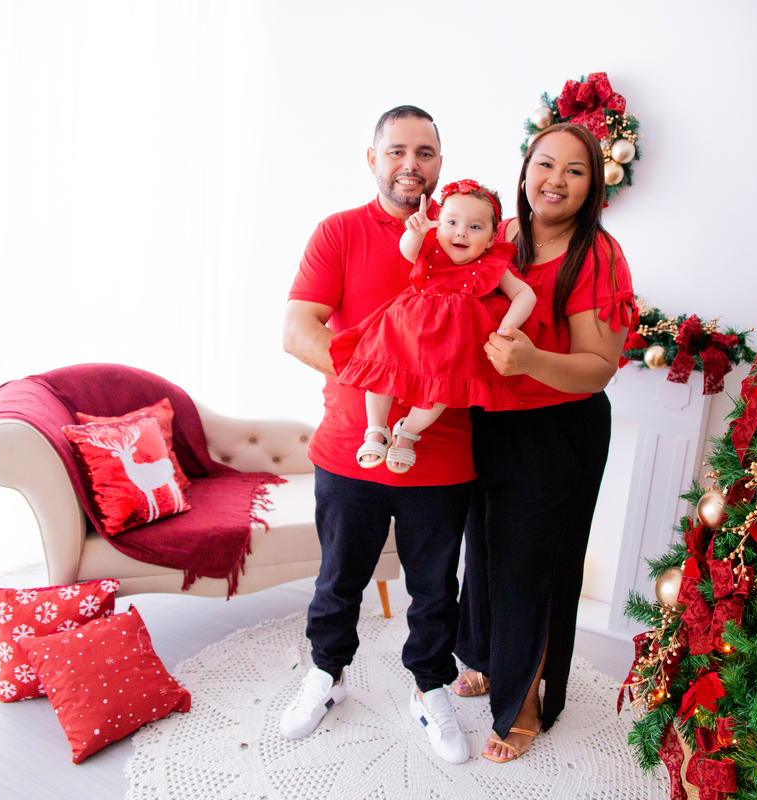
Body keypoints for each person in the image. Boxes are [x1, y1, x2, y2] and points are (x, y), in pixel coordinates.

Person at [281, 105, 474, 764]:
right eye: (396, 151)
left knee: (434, 590)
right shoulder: (339, 232)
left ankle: (430, 687)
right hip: (349, 448)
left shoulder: (465, 232)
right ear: (373, 159)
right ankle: (326, 675)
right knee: (338, 581)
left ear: (440, 163)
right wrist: (380, 374)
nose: (410, 165)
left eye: (424, 152)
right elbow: (297, 331)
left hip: (442, 455)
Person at [452, 123, 637, 763]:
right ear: (525, 169)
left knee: (530, 568)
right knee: (483, 550)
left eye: (575, 170)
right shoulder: (499, 233)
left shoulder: (598, 255)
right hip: (488, 420)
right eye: (545, 164)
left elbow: (598, 368)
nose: (555, 180)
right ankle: (484, 659)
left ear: (593, 186)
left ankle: (525, 701)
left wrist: (531, 360)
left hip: (558, 430)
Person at [330, 180, 536, 474]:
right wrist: (415, 232)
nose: (461, 232)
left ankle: (407, 432)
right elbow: (406, 251)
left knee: (441, 392)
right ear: (437, 226)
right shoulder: (430, 248)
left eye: (475, 227)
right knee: (379, 370)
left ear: (492, 238)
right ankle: (376, 429)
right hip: (404, 329)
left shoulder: (492, 264)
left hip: (449, 345)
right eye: (451, 222)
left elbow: (525, 294)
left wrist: (505, 330)